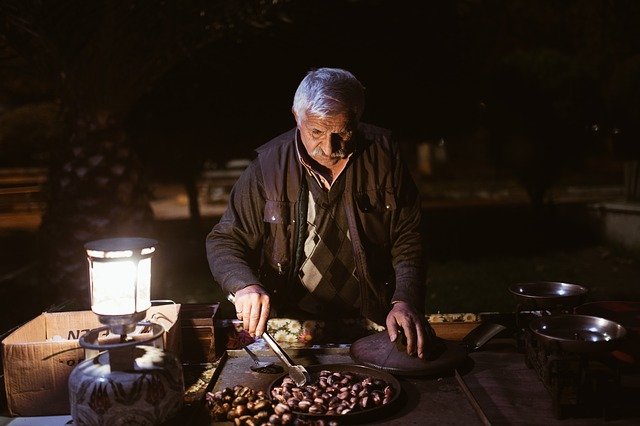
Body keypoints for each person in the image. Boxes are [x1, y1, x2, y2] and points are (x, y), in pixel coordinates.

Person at [206, 67, 433, 358]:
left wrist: (405, 300)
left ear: (358, 120)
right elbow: (225, 239)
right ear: (295, 117)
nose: (328, 148)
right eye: (316, 132)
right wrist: (245, 285)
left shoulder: (385, 156)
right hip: (291, 321)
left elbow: (409, 237)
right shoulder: (268, 166)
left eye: (342, 133)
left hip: (377, 318)